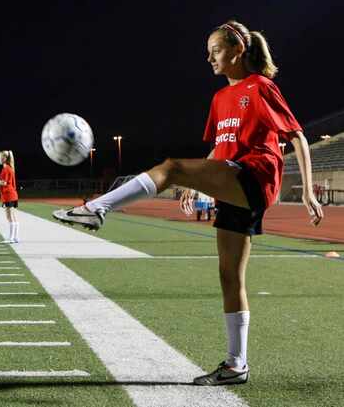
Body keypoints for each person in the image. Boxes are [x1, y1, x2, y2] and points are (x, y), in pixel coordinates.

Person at [54, 20, 324, 386]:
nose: (209, 57)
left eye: (216, 50)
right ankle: (236, 365)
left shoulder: (260, 88)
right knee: (230, 277)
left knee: (171, 167)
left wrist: (307, 191)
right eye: (209, 51)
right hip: (230, 179)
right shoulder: (219, 98)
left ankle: (96, 208)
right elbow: (219, 147)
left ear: (238, 50)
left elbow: (298, 137)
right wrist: (196, 186)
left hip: (254, 177)